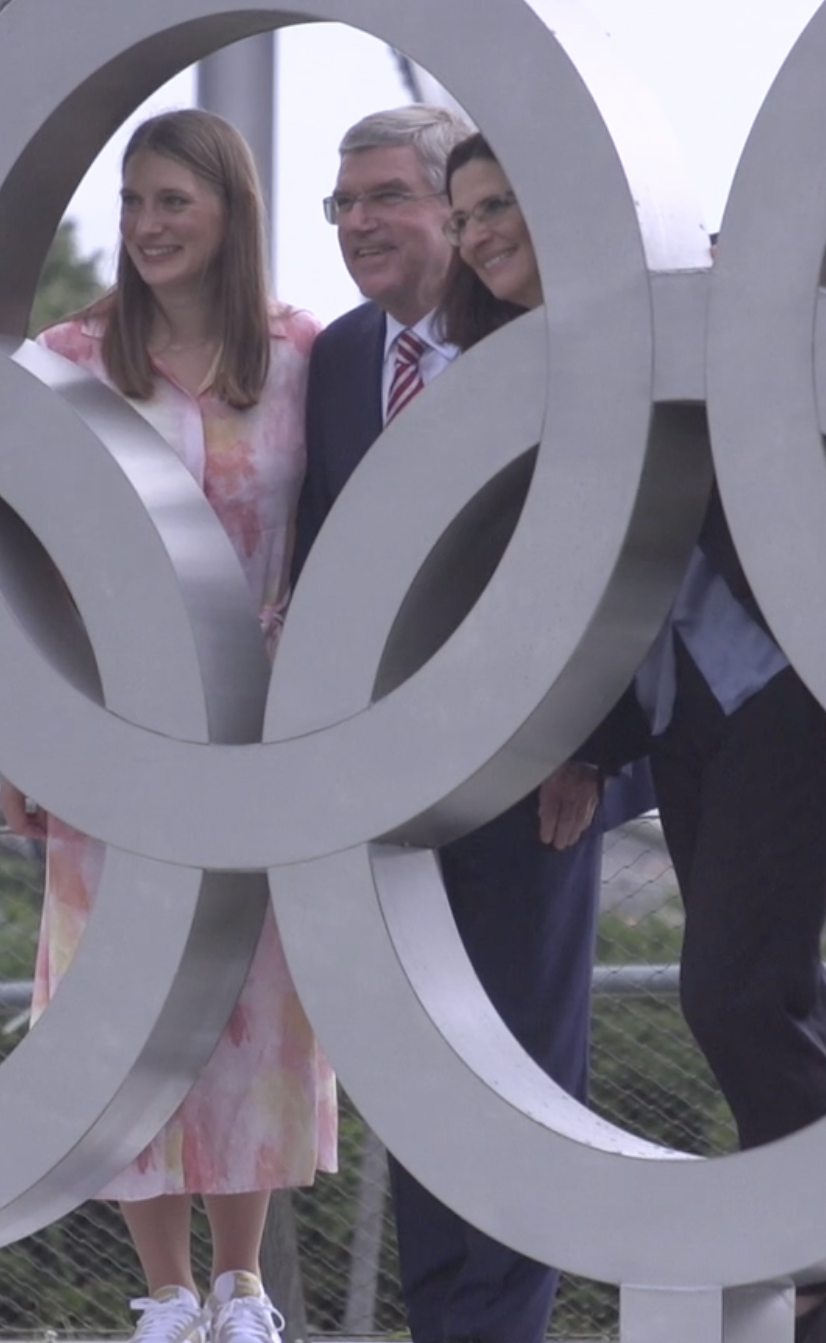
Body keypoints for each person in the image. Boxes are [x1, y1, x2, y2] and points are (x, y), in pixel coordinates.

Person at [445, 136, 826, 1343]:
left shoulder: (699, 312)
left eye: (499, 203)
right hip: (676, 709)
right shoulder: (517, 375)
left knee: (732, 989)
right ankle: (825, 1261)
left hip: (785, 679)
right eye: (464, 217)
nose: (480, 232)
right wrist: (587, 742)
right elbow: (577, 586)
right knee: (770, 984)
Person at [0, 109, 333, 1343]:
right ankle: (165, 1292)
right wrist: (27, 733)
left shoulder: (301, 355)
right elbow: (21, 563)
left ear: (229, 211)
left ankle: (240, 1288)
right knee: (122, 994)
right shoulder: (67, 360)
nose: (145, 226)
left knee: (252, 990)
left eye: (171, 202)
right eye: (132, 201)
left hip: (263, 728)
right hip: (114, 723)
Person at [291, 105, 605, 1343]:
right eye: (342, 204)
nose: (359, 224)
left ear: (456, 214)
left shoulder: (546, 342)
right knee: (420, 1085)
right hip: (380, 782)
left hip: (529, 774)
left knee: (517, 1076)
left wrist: (583, 739)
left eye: (388, 197)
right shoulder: (335, 359)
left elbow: (607, 553)